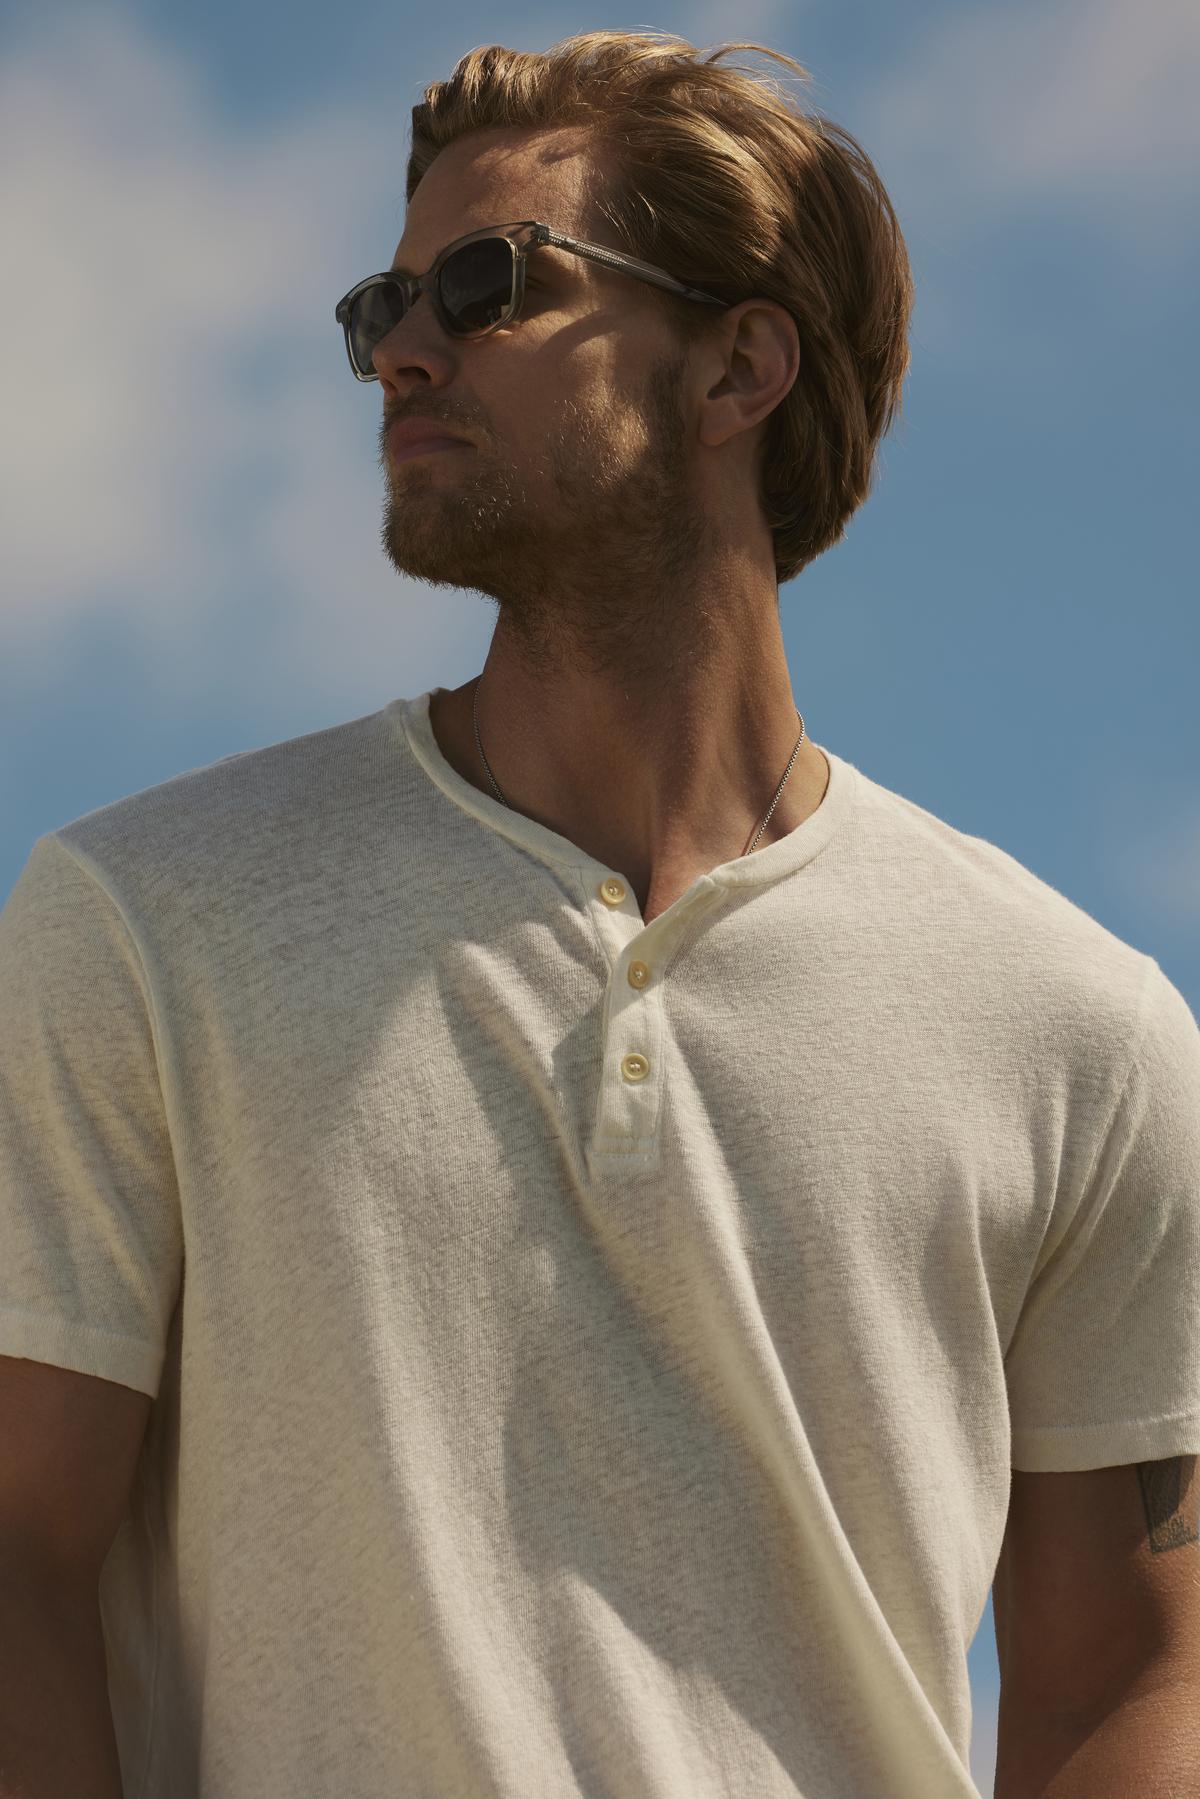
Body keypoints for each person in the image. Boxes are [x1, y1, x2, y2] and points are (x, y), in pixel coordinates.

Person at [1, 28, 1197, 1799]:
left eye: (489, 285)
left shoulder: (1080, 1030)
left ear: (739, 370)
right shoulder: (146, 919)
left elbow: (1123, 1680)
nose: (400, 350)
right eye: (381, 304)